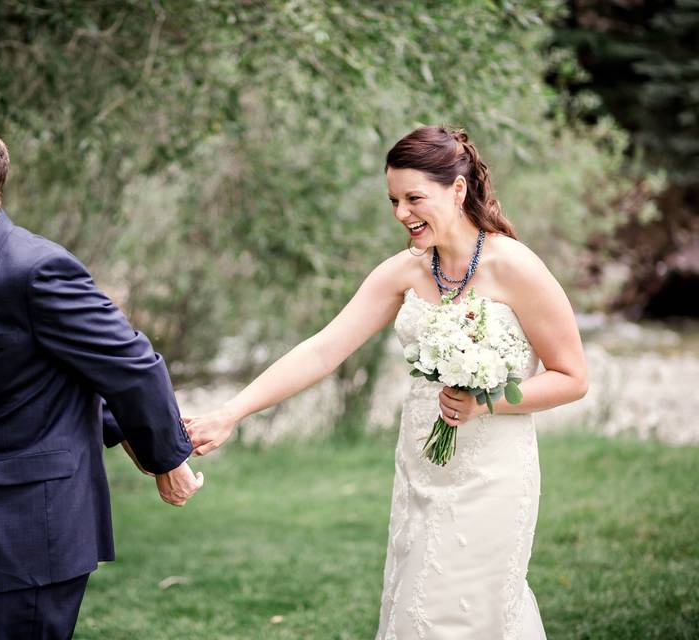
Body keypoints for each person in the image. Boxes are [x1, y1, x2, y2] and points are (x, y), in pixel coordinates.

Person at [184, 125, 587, 639]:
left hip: (494, 475)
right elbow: (323, 350)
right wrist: (232, 412)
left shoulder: (517, 267)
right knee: (414, 609)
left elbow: (573, 378)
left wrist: (486, 404)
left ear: (458, 191)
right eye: (394, 200)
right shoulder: (406, 272)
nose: (402, 214)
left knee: (469, 614)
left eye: (414, 198)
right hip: (420, 471)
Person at [0, 118, 203, 640]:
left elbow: (130, 365)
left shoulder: (35, 268)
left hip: (29, 531)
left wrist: (165, 457)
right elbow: (61, 373)